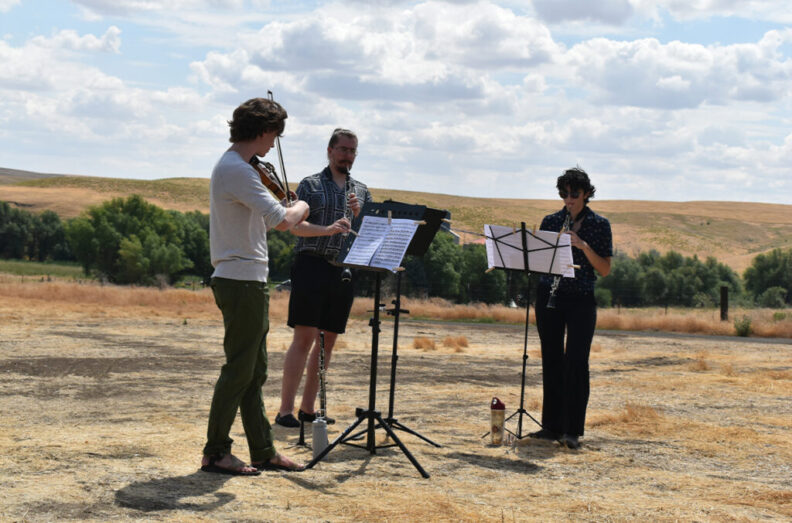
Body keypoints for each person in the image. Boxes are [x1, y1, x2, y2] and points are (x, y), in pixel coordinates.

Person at [201, 97, 309, 475]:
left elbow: (260, 223)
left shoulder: (239, 168)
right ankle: (215, 452)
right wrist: (302, 207)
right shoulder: (238, 170)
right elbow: (282, 220)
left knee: (254, 371)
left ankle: (263, 449)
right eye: (274, 136)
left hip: (247, 278)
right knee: (239, 370)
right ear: (264, 131)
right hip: (240, 280)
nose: (271, 146)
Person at [275, 128, 373, 428]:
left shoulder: (362, 190)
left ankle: (308, 409)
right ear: (329, 151)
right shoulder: (311, 184)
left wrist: (361, 216)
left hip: (343, 271)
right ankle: (285, 411)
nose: (348, 156)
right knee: (303, 339)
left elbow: (368, 237)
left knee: (328, 343)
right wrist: (327, 229)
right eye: (343, 149)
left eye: (352, 151)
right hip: (312, 265)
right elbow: (295, 226)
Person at [530, 166, 612, 450]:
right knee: (551, 359)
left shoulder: (600, 225)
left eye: (574, 194)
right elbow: (540, 262)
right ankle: (551, 427)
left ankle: (572, 431)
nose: (568, 200)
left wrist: (582, 246)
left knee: (576, 362)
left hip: (580, 298)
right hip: (549, 295)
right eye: (564, 194)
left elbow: (605, 269)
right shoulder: (551, 221)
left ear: (587, 194)